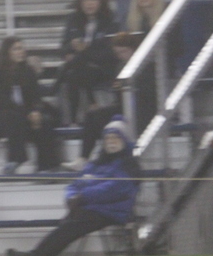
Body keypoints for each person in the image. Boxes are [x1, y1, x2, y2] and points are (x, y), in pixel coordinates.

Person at [7, 115, 141, 256]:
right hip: (92, 206)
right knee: (69, 223)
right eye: (108, 138)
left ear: (124, 140)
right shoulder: (97, 163)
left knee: (71, 225)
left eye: (115, 138)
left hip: (112, 210)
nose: (111, 142)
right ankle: (40, 254)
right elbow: (76, 184)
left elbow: (115, 189)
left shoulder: (128, 164)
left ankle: (38, 255)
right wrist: (72, 197)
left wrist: (83, 196)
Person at [62, 32, 156, 172]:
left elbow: (149, 95)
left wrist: (127, 87)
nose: (121, 55)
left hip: (141, 110)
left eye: (124, 51)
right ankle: (83, 158)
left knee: (106, 123)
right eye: (118, 52)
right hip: (124, 107)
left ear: (133, 49)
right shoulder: (120, 67)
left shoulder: (147, 66)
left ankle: (102, 161)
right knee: (92, 116)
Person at [0, 36, 60, 175]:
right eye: (16, 48)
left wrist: (35, 112)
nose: (21, 51)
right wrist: (27, 114)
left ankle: (45, 168)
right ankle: (15, 159)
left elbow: (35, 97)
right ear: (7, 52)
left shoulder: (28, 71)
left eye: (22, 48)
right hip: (0, 117)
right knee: (13, 117)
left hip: (23, 117)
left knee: (44, 123)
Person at [55, 0, 119, 126]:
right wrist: (71, 47)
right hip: (79, 67)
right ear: (80, 3)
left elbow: (109, 51)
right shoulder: (73, 19)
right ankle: (87, 108)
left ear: (101, 2)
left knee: (75, 67)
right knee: (75, 71)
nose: (89, 3)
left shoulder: (110, 20)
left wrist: (84, 50)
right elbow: (63, 48)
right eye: (86, 0)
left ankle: (74, 118)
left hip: (102, 67)